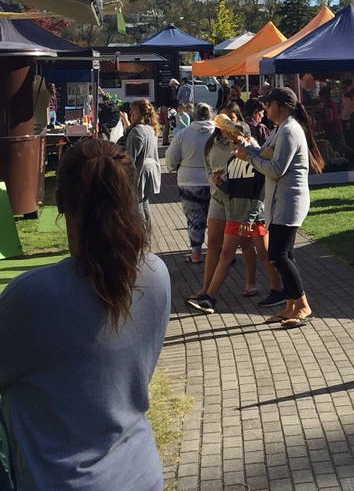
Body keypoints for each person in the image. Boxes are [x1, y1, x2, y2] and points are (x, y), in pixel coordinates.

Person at [0, 138, 170, 491]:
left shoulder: (32, 294)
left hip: (60, 480)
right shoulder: (156, 273)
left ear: (60, 202)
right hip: (141, 471)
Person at [233, 87, 324, 327]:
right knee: (285, 254)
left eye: (269, 104)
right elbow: (264, 154)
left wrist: (249, 158)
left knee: (278, 255)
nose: (265, 108)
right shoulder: (280, 129)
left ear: (282, 106)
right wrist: (246, 147)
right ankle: (290, 305)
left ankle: (302, 305)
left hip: (289, 201)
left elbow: (275, 169)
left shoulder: (290, 131)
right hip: (279, 201)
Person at [187, 113, 281, 314]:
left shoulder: (256, 160)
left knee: (265, 254)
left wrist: (250, 217)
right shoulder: (232, 161)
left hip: (254, 216)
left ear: (245, 139)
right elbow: (234, 189)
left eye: (235, 139)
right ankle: (209, 297)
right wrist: (222, 184)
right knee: (225, 254)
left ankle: (279, 290)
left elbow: (260, 192)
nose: (231, 143)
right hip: (234, 213)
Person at [165, 102, 216, 264]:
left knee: (194, 219)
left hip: (189, 181)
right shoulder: (218, 133)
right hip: (215, 181)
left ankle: (196, 254)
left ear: (194, 115)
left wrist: (172, 168)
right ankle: (220, 253)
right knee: (217, 219)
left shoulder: (183, 134)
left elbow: (171, 158)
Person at [124, 98, 161, 232]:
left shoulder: (138, 130)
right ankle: (147, 235)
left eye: (133, 110)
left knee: (137, 206)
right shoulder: (149, 128)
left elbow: (130, 157)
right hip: (149, 170)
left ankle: (140, 236)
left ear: (141, 112)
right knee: (144, 204)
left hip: (139, 171)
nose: (130, 113)